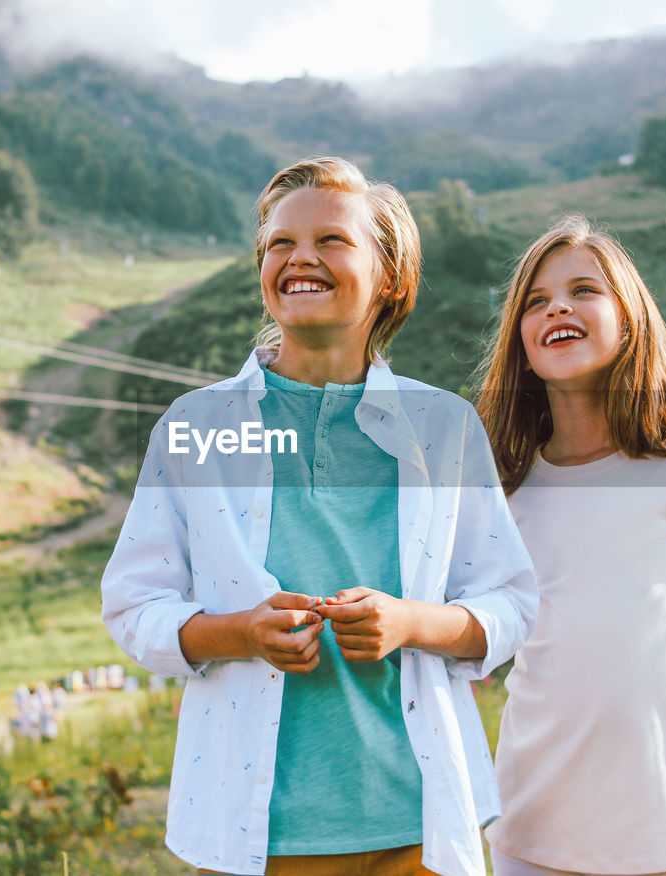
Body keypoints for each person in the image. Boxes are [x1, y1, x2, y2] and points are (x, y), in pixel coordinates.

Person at [101, 156, 536, 876]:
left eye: (331, 240)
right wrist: (241, 632)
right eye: (280, 243)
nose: (300, 256)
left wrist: (409, 622)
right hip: (255, 837)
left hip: (420, 829)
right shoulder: (196, 425)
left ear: (389, 276)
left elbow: (512, 602)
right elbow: (133, 604)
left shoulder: (444, 427)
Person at [474, 216, 666, 876]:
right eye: (536, 300)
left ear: (630, 318)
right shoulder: (505, 486)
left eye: (583, 289)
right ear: (521, 343)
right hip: (534, 829)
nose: (557, 305)